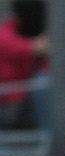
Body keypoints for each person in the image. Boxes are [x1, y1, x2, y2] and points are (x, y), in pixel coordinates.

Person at [0, 1, 47, 132]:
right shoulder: (5, 32)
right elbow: (33, 48)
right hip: (8, 99)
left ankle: (48, 138)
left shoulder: (41, 28)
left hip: (31, 97)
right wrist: (40, 44)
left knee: (43, 81)